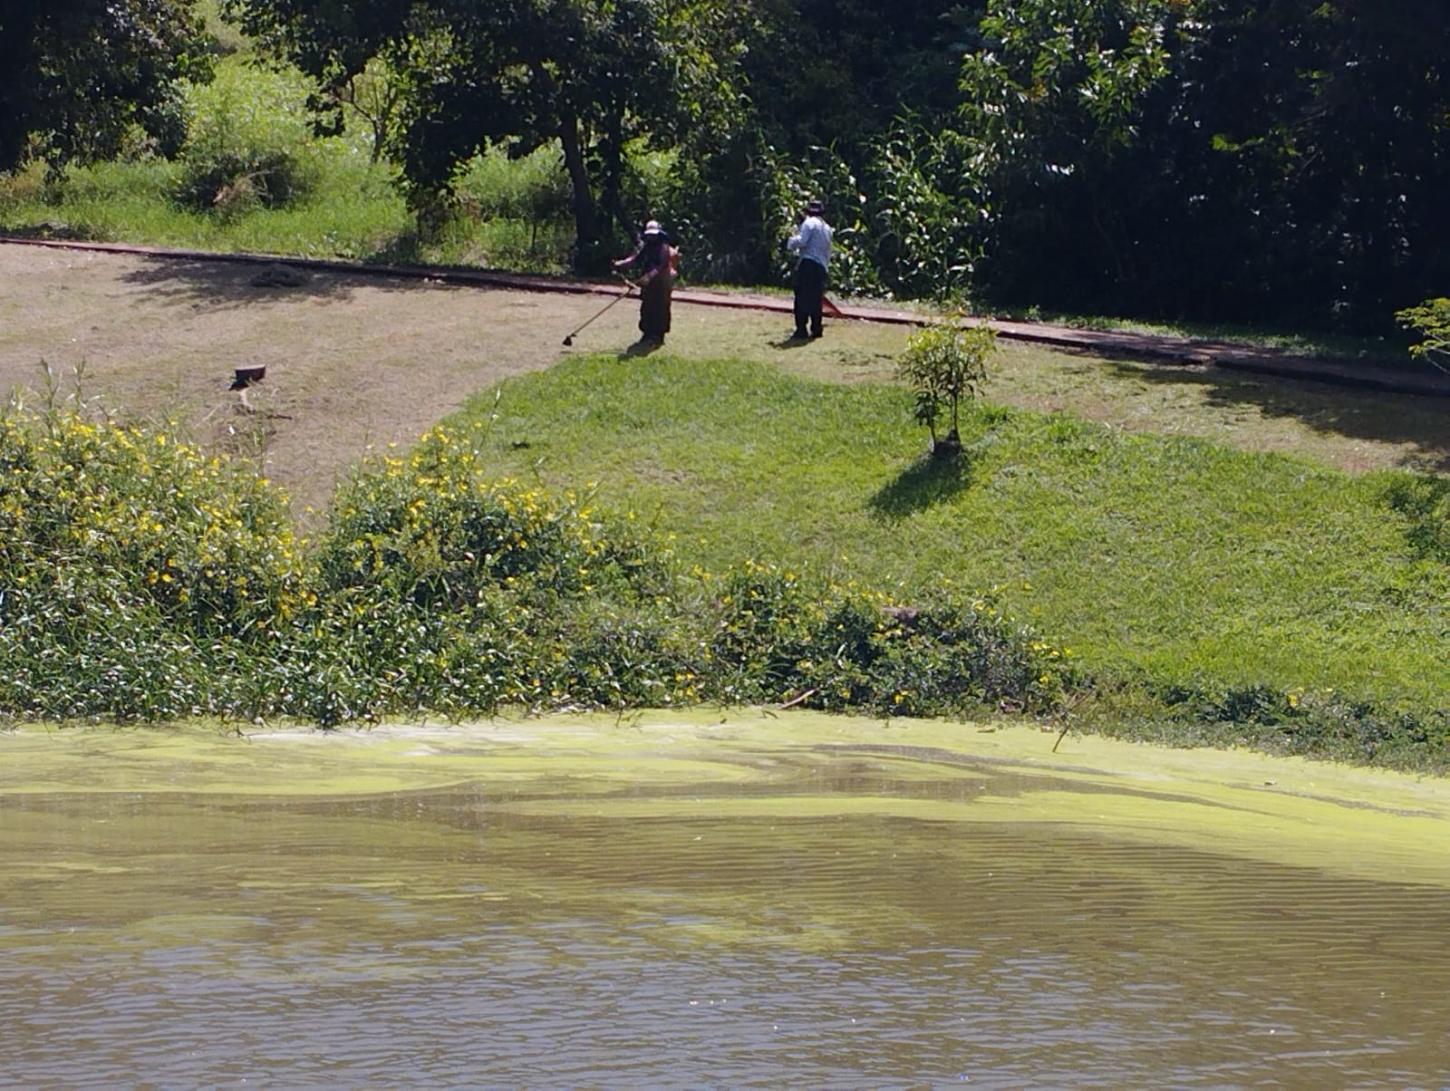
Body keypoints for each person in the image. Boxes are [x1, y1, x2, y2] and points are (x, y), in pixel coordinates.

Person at [613, 220, 679, 346]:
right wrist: (621, 264)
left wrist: (649, 276)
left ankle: (658, 336)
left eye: (653, 235)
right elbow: (636, 259)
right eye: (649, 235)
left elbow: (662, 265)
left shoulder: (664, 247)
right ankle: (647, 333)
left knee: (660, 308)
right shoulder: (646, 246)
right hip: (648, 283)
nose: (651, 237)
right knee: (647, 307)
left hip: (662, 282)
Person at [786, 198, 833, 339]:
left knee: (801, 297)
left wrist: (790, 241)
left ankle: (801, 329)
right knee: (816, 298)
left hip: (808, 263)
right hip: (821, 266)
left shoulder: (809, 223)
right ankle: (816, 328)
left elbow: (802, 241)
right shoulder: (827, 228)